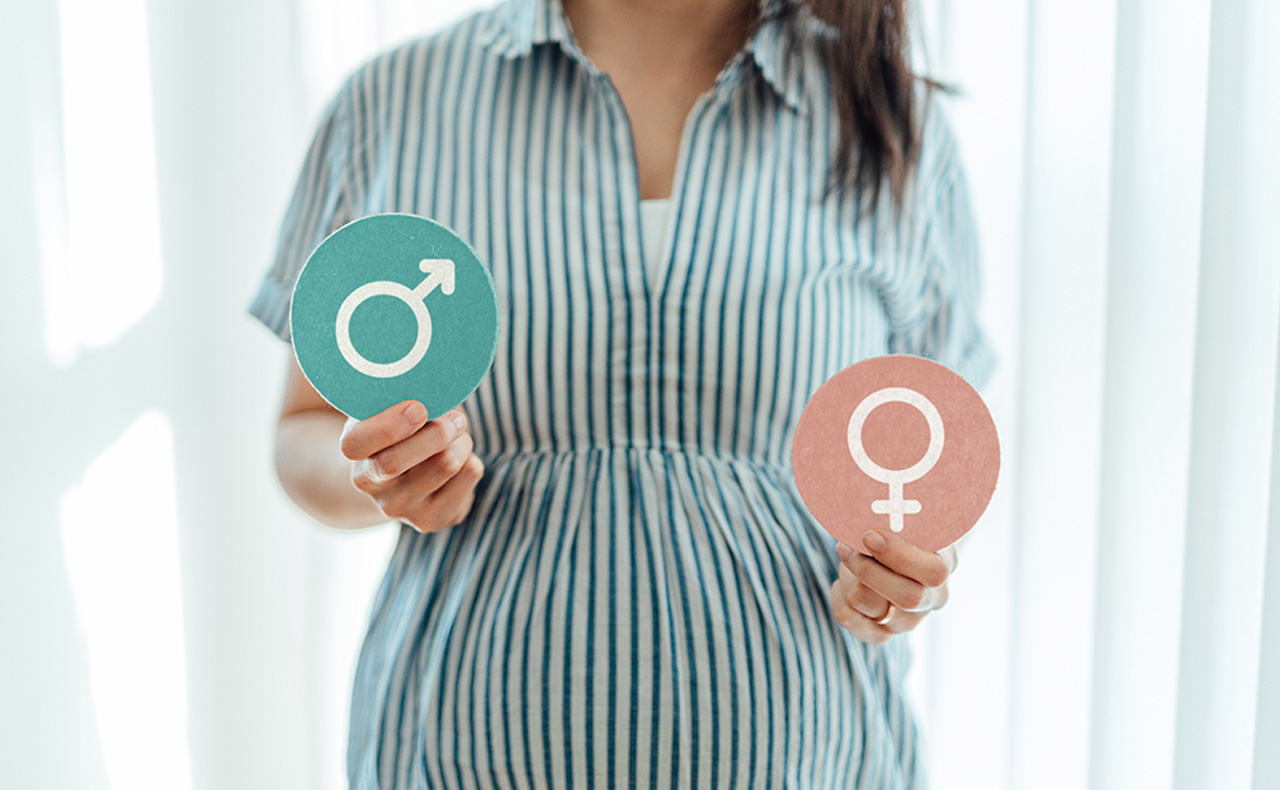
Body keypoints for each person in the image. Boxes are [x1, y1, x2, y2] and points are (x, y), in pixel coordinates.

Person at [250, 0, 992, 786]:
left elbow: (938, 473)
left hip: (815, 755)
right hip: (455, 756)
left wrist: (909, 571)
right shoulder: (392, 103)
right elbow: (305, 429)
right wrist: (378, 477)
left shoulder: (895, 121)